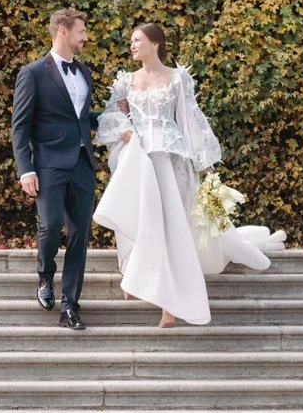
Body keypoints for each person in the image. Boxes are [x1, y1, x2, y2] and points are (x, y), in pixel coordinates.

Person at [92, 21, 285, 327]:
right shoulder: (125, 82)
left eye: (137, 40)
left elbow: (190, 121)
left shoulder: (177, 79)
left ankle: (171, 305)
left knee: (170, 229)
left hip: (172, 159)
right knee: (146, 223)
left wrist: (205, 165)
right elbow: (112, 118)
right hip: (140, 159)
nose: (132, 45)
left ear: (155, 43)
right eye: (131, 41)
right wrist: (125, 129)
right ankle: (139, 278)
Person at [10, 6, 99, 330]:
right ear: (63, 31)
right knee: (48, 227)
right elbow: (20, 127)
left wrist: (114, 118)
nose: (85, 38)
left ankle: (70, 306)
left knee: (79, 236)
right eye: (81, 32)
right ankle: (45, 276)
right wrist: (26, 169)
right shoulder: (32, 73)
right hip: (48, 165)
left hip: (82, 165)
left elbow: (81, 119)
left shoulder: (85, 73)